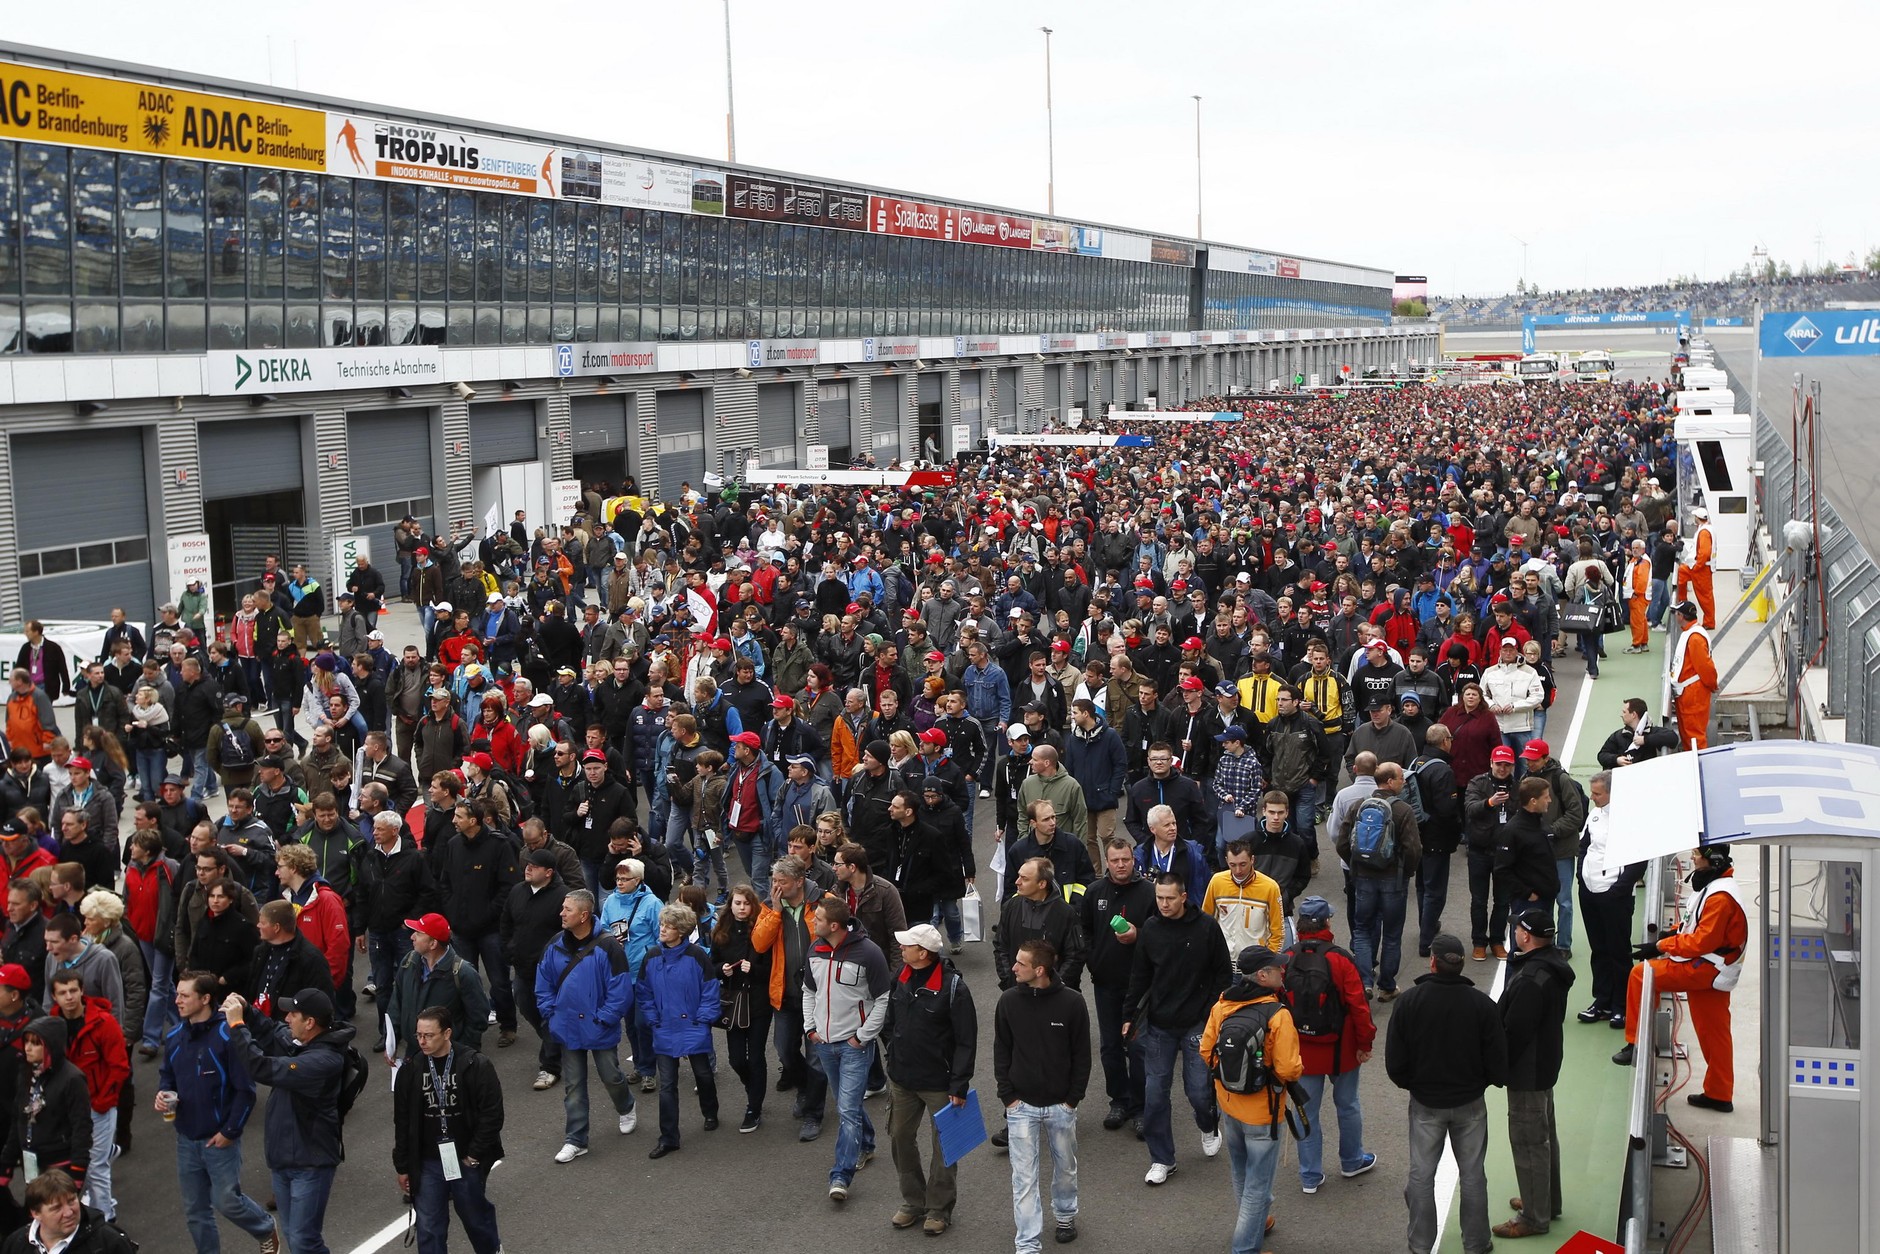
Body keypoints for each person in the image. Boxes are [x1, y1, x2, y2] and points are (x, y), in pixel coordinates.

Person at [1385, 934, 1508, 1254]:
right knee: (1473, 1176)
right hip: (1470, 1104)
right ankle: (1477, 1243)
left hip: (1426, 1104)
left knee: (1422, 1176)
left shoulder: (1410, 1001)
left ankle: (1420, 1245)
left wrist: (1413, 1084)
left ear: (1433, 962)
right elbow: (1497, 1060)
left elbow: (1395, 1061)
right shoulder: (1481, 1004)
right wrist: (1483, 1082)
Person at [1613, 846, 1747, 1113]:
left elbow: (1700, 941)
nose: (1693, 858)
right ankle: (1720, 1093)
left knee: (1642, 974)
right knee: (1715, 1032)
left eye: (1697, 855)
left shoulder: (1720, 897)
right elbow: (1696, 925)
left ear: (1714, 860)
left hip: (1706, 967)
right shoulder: (1719, 887)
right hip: (1718, 968)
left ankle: (1636, 1044)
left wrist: (1663, 944)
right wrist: (1673, 932)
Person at [158, 969, 281, 1254]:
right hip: (186, 1139)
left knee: (226, 1200)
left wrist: (230, 1131)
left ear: (206, 999)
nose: (177, 1000)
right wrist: (162, 1095)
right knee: (195, 1212)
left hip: (219, 1139)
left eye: (184, 995)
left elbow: (246, 1090)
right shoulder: (175, 1036)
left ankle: (264, 1228)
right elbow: (167, 1077)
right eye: (177, 993)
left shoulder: (228, 1036)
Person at [223, 987, 354, 1254]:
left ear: (310, 1023)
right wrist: (247, 1010)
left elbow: (261, 1067)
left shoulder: (323, 1060)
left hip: (310, 1162)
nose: (287, 1019)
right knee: (295, 1237)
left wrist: (237, 1025)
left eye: (293, 1014)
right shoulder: (304, 1044)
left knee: (305, 1240)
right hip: (285, 1158)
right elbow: (272, 1032)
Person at [1122, 871, 1233, 1186]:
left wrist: (1211, 1012)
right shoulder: (1152, 931)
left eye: (1170, 898)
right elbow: (1139, 977)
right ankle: (1162, 1159)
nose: (1164, 904)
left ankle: (1208, 1123)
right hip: (1159, 1026)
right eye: (1159, 898)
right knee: (1155, 1094)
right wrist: (1129, 1015)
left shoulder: (1207, 928)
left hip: (1197, 1024)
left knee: (1199, 1091)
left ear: (1184, 897)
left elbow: (1223, 975)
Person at [1199, 945, 1303, 1254]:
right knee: (1258, 1186)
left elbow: (1206, 1052)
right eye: (1276, 968)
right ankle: (1245, 1249)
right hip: (1264, 1114)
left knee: (1241, 1173)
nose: (1282, 971)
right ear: (1262, 975)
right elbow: (1288, 1069)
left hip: (1229, 1106)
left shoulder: (1222, 1005)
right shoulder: (1278, 1014)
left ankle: (1259, 1221)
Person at [994, 938, 1089, 1253]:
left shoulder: (1073, 1003)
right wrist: (1008, 1097)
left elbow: (1082, 1056)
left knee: (1065, 1168)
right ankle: (1027, 1243)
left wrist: (1072, 1100)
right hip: (1020, 1106)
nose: (1013, 967)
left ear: (1040, 969)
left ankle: (1065, 1215)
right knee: (1023, 1178)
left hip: (1061, 1106)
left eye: (1020, 963)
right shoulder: (1008, 1001)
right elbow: (1001, 1051)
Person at [884, 922, 976, 1237]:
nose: (901, 948)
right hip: (902, 1078)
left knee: (945, 1147)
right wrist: (892, 1052)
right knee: (899, 1138)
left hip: (939, 1082)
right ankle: (913, 1201)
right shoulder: (900, 976)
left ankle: (938, 1208)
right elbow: (890, 1020)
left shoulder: (953, 989)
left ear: (922, 953)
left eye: (907, 945)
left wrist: (959, 1084)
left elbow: (966, 1041)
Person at [535, 889, 639, 1163]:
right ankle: (576, 1139)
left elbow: (621, 991)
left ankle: (626, 1105)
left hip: (598, 1027)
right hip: (568, 1027)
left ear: (584, 915)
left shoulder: (609, 947)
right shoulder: (555, 944)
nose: (561, 913)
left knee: (611, 1075)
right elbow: (543, 982)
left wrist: (603, 1018)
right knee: (574, 1085)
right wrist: (550, 1012)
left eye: (567, 909)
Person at [391, 1005, 504, 1254]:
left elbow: (492, 1115)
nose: (422, 1041)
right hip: (428, 1161)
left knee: (476, 1219)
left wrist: (474, 1154)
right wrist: (403, 1165)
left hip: (465, 1157)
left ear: (447, 1033)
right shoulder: (410, 1070)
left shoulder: (475, 1064)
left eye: (429, 1035)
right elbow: (402, 1121)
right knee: (429, 1227)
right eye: (418, 1035)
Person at [1284, 895, 1378, 1194]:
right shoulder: (1340, 959)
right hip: (1342, 1050)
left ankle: (1310, 1175)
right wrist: (1365, 1043)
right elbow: (1359, 1007)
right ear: (1326, 922)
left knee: (1306, 1111)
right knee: (1348, 1105)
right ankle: (1351, 1161)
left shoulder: (1287, 958)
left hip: (1304, 1050)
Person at [801, 898, 891, 1203]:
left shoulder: (869, 953)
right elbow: (809, 991)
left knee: (847, 1109)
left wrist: (862, 1037)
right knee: (845, 1103)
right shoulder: (815, 949)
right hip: (824, 1044)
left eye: (819, 919)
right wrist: (810, 1028)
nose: (814, 922)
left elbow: (882, 999)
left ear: (834, 926)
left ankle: (841, 1175)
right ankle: (866, 1144)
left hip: (854, 1046)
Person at [1494, 910, 1574, 1240]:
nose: (1513, 932)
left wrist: (1496, 1066)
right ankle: (1545, 1201)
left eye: (1516, 928)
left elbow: (1514, 1032)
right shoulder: (1552, 967)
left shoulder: (1530, 979)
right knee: (1544, 1137)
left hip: (1527, 1071)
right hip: (1545, 1062)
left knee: (1529, 1142)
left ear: (1526, 936)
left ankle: (1534, 1216)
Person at [1080, 836, 1154, 1133]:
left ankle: (1140, 1105)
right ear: (1107, 863)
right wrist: (1093, 960)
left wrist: (1138, 937)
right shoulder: (1095, 892)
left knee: (1137, 1048)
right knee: (1110, 1046)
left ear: (1133, 860)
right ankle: (1119, 1100)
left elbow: (1161, 935)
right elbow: (1084, 929)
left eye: (1125, 859)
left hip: (1140, 986)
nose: (1121, 865)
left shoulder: (1149, 893)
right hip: (1105, 983)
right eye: (1115, 860)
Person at [636, 903, 721, 1158]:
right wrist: (653, 1019)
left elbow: (710, 990)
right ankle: (669, 1137)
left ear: (681, 931)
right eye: (662, 924)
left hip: (692, 1026)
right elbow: (644, 992)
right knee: (667, 1085)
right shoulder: (651, 956)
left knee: (703, 1074)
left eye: (669, 926)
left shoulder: (697, 956)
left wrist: (703, 1020)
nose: (662, 929)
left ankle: (710, 1111)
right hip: (664, 1028)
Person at [1335, 760, 1422, 1000]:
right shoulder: (1403, 810)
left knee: (1362, 930)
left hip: (1363, 879)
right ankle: (1386, 984)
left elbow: (1343, 843)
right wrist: (1407, 873)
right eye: (1401, 779)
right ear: (1390, 781)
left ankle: (1365, 981)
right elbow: (1413, 849)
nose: (1404, 782)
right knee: (1392, 934)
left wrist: (1355, 865)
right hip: (1393, 881)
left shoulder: (1358, 807)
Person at [48, 972, 128, 1223]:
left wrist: (104, 1102)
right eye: (62, 992)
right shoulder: (51, 1025)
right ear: (54, 996)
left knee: (95, 1167)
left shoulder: (103, 1023)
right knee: (82, 1156)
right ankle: (109, 1149)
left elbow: (119, 1066)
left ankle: (106, 1219)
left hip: (98, 1106)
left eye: (73, 990)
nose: (69, 997)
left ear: (82, 990)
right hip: (69, 1108)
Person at [709, 883, 779, 1133]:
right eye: (737, 903)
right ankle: (754, 1088)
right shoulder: (721, 931)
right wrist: (722, 970)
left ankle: (754, 1107)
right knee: (737, 1059)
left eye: (746, 903)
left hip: (758, 1001)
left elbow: (773, 967)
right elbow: (712, 962)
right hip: (732, 1001)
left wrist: (756, 970)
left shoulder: (762, 929)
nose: (741, 908)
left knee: (756, 1056)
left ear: (753, 905)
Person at [1577, 772, 1643, 1028]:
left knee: (1618, 952)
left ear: (1612, 793)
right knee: (1599, 950)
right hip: (1590, 891)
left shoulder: (1629, 819)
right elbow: (1584, 846)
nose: (1592, 797)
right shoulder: (1595, 814)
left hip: (1614, 895)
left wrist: (1619, 889)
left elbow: (1639, 859)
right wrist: (1580, 877)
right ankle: (1602, 1001)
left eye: (1597, 793)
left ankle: (1622, 1006)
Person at [502, 849, 569, 1091]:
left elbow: (570, 935)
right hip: (522, 967)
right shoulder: (518, 891)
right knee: (526, 1006)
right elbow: (506, 922)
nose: (528, 868)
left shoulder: (564, 897)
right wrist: (508, 949)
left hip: (550, 973)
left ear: (549, 873)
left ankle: (550, 1067)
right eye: (527, 864)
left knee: (549, 1015)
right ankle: (556, 1042)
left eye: (534, 866)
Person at [386, 913, 490, 1059]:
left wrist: (463, 1053)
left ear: (433, 944)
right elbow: (396, 1003)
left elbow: (478, 1018)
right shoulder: (408, 962)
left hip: (449, 1058)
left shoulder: (463, 973)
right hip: (414, 1055)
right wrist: (391, 1042)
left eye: (418, 933)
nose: (412, 937)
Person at [0, 1169, 136, 1254]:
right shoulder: (15, 1244)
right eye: (57, 1208)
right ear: (36, 1213)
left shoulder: (108, 1242)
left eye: (72, 1201)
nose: (68, 1213)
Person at [1201, 840, 1285, 962]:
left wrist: (1268, 961)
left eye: (1243, 864)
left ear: (1252, 860)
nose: (1238, 870)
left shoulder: (1270, 887)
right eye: (1232, 865)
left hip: (1255, 964)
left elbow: (1278, 931)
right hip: (1223, 962)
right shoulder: (1217, 882)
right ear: (1226, 860)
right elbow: (1206, 922)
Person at [1667, 600, 1717, 751]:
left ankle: (1699, 767)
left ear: (1681, 616)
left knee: (1694, 736)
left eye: (1677, 613)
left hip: (1693, 693)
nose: (1675, 616)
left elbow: (1705, 667)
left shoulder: (1694, 638)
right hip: (1688, 691)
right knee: (1689, 735)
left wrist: (1712, 684)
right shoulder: (1692, 633)